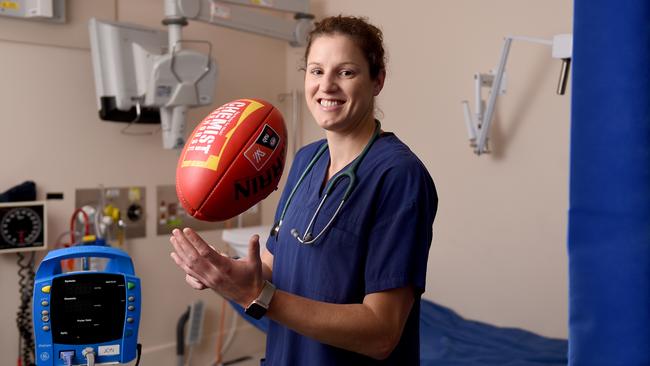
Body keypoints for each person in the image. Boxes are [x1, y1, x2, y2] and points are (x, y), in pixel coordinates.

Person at [170, 15, 438, 365]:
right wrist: (224, 273)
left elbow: (382, 333)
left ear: (377, 81)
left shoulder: (398, 176)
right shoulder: (305, 161)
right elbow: (273, 265)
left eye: (346, 72)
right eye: (316, 71)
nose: (326, 86)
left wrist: (258, 295)